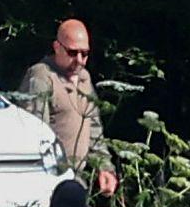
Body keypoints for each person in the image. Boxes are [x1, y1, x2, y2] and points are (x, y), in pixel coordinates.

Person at [19, 19, 118, 195]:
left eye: (84, 54)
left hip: (78, 180)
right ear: (57, 47)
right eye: (72, 52)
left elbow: (94, 127)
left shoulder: (84, 78)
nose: (79, 60)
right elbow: (35, 134)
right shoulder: (42, 77)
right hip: (50, 180)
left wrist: (104, 167)